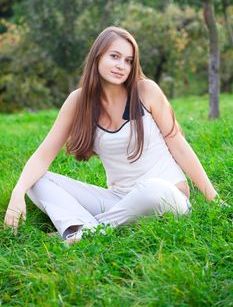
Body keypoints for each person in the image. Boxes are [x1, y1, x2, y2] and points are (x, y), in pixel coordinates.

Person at [4, 26, 219, 244]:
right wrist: (18, 192)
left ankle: (85, 231)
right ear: (97, 56)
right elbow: (43, 155)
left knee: (154, 188)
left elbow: (179, 145)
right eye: (114, 56)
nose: (121, 65)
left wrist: (214, 198)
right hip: (117, 200)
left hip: (166, 197)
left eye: (128, 60)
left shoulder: (146, 91)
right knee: (36, 181)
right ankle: (88, 229)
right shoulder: (78, 102)